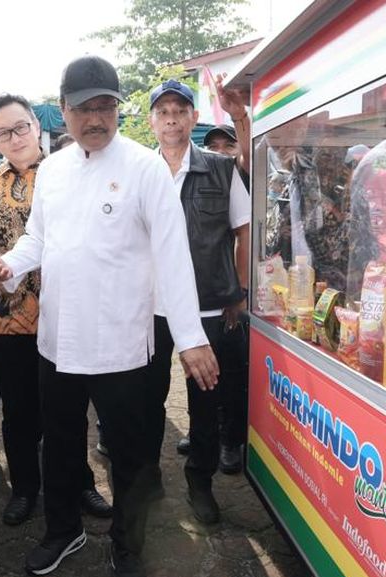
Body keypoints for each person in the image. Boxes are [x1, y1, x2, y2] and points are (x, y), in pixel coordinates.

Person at [0, 55, 219, 577]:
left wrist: (190, 337)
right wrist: (9, 265)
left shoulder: (143, 167)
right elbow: (38, 240)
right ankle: (64, 529)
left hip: (124, 343)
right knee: (58, 444)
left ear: (116, 107)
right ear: (63, 111)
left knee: (132, 455)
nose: (95, 117)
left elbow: (173, 255)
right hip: (59, 341)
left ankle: (127, 547)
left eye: (105, 105)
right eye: (83, 107)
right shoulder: (56, 169)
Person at [0, 93, 111, 526]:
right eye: (2, 133)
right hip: (7, 319)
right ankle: (26, 487)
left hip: (65, 313)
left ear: (36, 125)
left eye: (20, 127)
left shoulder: (69, 173)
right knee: (20, 412)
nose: (14, 138)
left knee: (68, 410)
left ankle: (79, 482)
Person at [146, 79, 252, 525]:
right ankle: (145, 477)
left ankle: (200, 482)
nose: (171, 117)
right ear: (151, 121)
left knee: (206, 400)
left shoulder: (220, 169)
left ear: (193, 117)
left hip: (210, 305)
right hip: (150, 309)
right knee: (146, 397)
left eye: (179, 109)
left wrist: (239, 293)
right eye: (163, 110)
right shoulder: (138, 172)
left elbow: (243, 230)